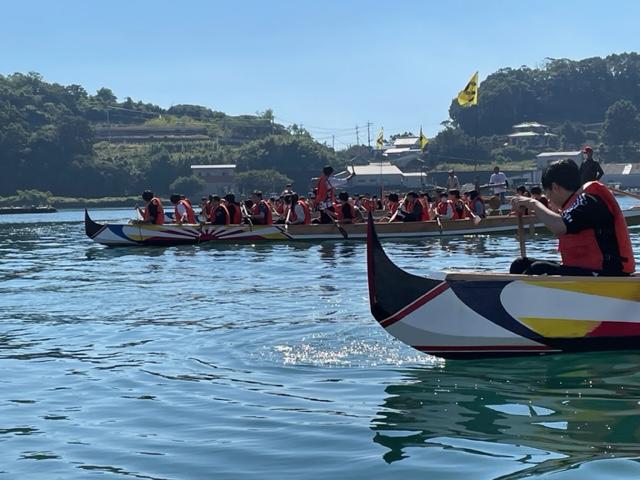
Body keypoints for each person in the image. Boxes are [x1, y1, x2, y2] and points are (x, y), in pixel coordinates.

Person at [510, 159, 635, 276]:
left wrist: (533, 204)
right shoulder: (576, 203)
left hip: (605, 273)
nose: (547, 198)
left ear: (555, 187)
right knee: (520, 264)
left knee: (538, 269)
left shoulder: (586, 201)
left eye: (547, 192)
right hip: (585, 269)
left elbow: (560, 227)